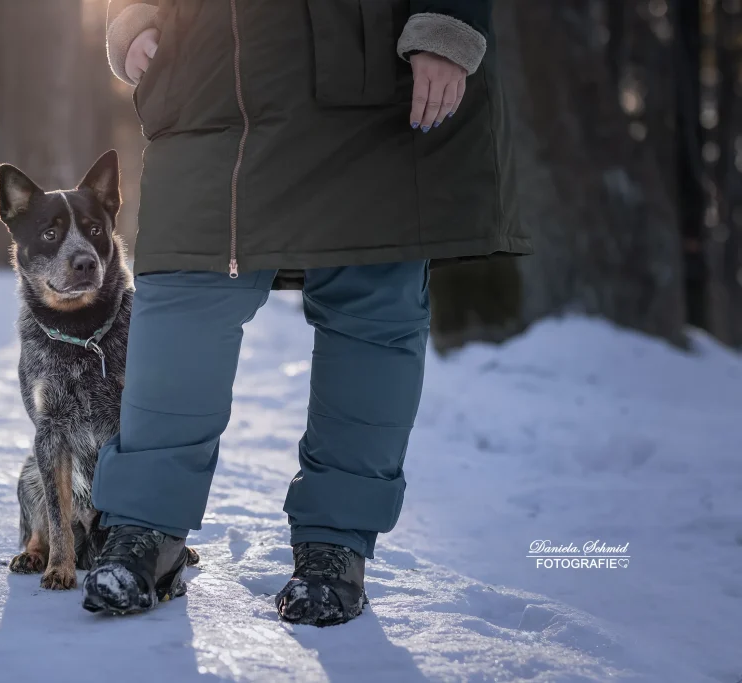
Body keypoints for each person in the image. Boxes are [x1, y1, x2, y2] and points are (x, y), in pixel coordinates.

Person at [82, 0, 531, 626]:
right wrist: (133, 16)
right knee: (183, 296)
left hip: (375, 75)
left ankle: (336, 546)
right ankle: (145, 530)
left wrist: (447, 24)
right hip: (209, 81)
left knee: (372, 307)